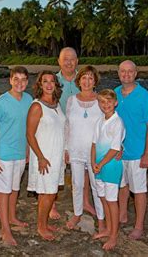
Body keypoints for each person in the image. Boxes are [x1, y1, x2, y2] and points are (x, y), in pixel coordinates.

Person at [0, 66, 33, 246]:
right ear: (10, 80)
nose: (19, 83)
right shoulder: (1, 102)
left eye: (23, 80)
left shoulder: (29, 99)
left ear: (27, 82)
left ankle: (12, 217)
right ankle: (5, 229)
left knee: (14, 188)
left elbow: (28, 127)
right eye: (16, 79)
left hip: (20, 153)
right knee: (3, 192)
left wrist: (28, 149)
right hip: (3, 154)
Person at [115, 60, 148, 240]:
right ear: (118, 73)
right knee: (122, 186)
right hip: (118, 152)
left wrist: (147, 154)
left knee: (139, 190)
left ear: (136, 73)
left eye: (130, 72)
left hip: (137, 153)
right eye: (123, 71)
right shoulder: (115, 94)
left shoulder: (144, 96)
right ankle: (122, 214)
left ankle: (139, 226)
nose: (126, 75)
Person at [56, 47, 96, 218]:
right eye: (65, 59)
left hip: (80, 131)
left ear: (77, 61)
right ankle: (52, 204)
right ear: (59, 61)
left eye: (72, 59)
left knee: (85, 169)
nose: (69, 62)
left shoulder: (84, 78)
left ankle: (85, 202)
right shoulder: (54, 81)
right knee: (57, 166)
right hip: (58, 129)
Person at [64, 66, 105, 233]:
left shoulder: (101, 100)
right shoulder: (71, 100)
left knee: (97, 186)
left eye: (90, 78)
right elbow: (67, 126)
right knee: (77, 183)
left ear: (95, 81)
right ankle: (77, 213)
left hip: (95, 151)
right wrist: (65, 149)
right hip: (75, 149)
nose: (87, 81)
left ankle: (101, 220)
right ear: (78, 81)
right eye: (84, 78)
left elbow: (109, 125)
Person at [27, 71, 66, 241]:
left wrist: (65, 151)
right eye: (45, 81)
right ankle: (41, 227)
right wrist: (41, 158)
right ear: (40, 85)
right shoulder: (37, 106)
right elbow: (29, 134)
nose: (49, 84)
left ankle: (44, 223)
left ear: (56, 85)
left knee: (51, 192)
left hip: (57, 156)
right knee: (46, 193)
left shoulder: (56, 104)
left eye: (52, 81)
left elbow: (60, 130)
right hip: (45, 157)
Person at [91, 89, 125, 251]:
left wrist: (101, 164)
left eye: (109, 102)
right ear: (99, 103)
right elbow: (93, 144)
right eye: (102, 102)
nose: (106, 105)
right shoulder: (99, 121)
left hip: (110, 167)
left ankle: (113, 236)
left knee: (112, 201)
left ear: (115, 102)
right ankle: (108, 229)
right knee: (103, 198)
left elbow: (114, 149)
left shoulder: (118, 122)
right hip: (98, 167)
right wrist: (93, 163)